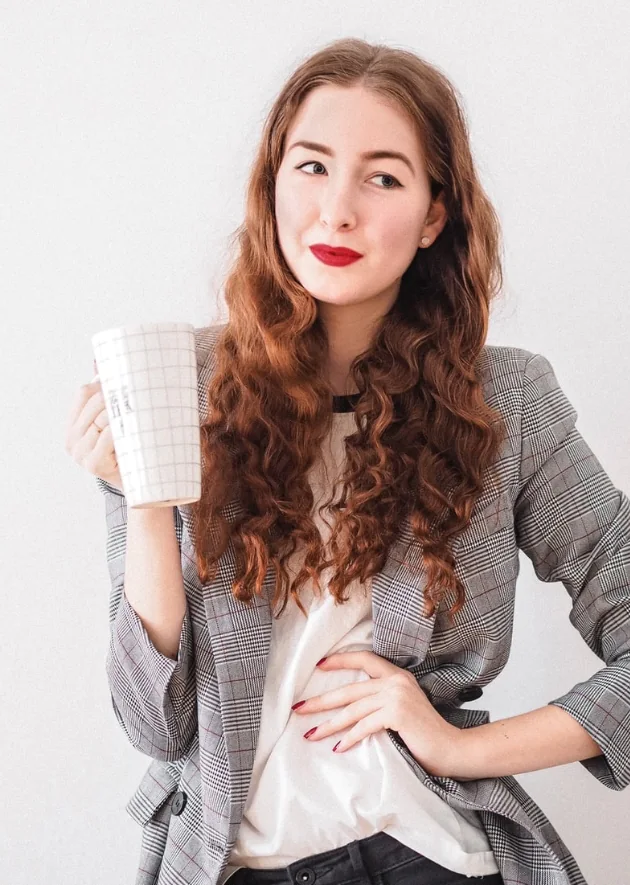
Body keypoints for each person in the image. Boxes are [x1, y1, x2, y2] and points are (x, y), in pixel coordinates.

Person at [65, 37, 630, 885]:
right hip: (238, 863)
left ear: (434, 215)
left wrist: (457, 746)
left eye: (384, 178)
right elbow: (156, 724)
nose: (336, 211)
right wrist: (144, 500)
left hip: (429, 854)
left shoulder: (505, 401)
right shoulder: (178, 384)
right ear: (273, 185)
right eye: (313, 166)